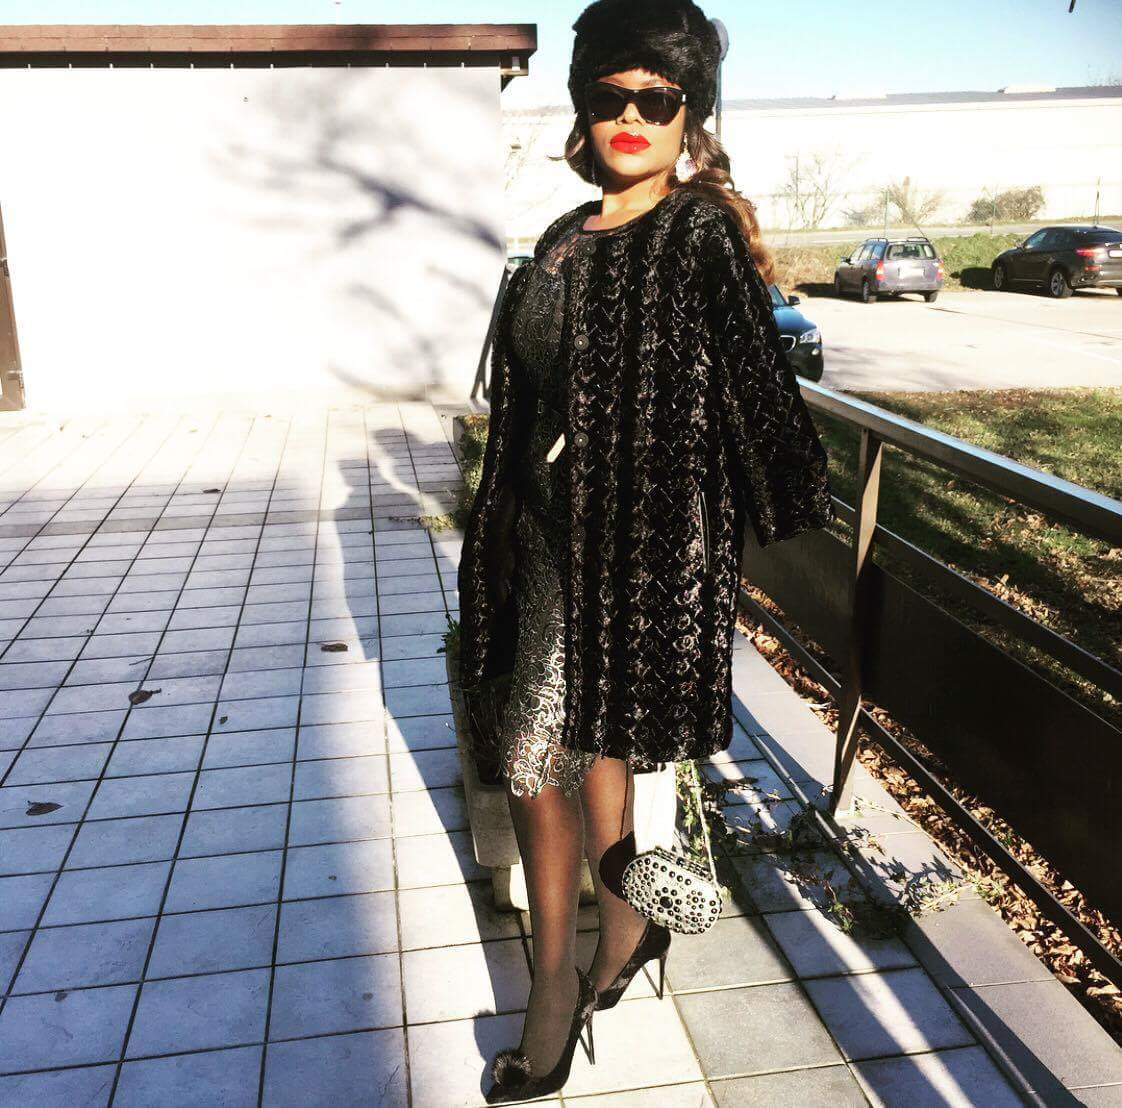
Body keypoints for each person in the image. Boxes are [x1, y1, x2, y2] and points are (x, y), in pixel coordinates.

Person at [456, 0, 837, 1100]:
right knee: (570, 752)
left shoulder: (695, 235)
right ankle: (613, 943)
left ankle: (563, 984)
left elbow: (758, 394)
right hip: (540, 544)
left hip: (635, 559)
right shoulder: (563, 235)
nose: (631, 115)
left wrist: (775, 533)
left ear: (689, 116)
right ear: (583, 109)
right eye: (610, 95)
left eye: (657, 99)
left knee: (552, 756)